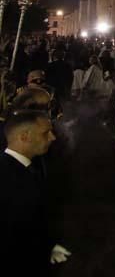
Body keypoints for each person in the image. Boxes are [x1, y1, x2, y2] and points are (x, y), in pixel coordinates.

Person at [0, 109, 70, 276]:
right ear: (24, 137)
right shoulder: (8, 179)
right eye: (46, 133)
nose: (53, 137)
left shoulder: (29, 167)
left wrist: (49, 245)